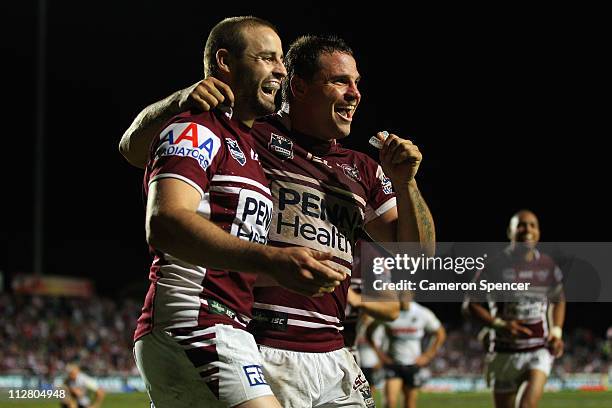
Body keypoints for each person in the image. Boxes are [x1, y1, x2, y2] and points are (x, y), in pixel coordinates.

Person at [120, 34, 434, 407]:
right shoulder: (252, 135)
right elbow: (135, 149)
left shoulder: (362, 169)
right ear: (298, 87)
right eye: (340, 81)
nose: (355, 94)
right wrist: (178, 101)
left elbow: (417, 256)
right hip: (260, 344)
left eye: (357, 83)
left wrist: (406, 183)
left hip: (335, 350)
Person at [131, 17, 346, 408]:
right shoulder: (196, 126)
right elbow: (164, 222)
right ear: (225, 62)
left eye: (281, 59)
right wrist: (273, 258)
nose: (281, 69)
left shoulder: (247, 146)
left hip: (227, 325)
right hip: (195, 320)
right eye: (266, 57)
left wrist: (293, 270)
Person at [466, 210, 566, 408]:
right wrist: (499, 324)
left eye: (532, 225)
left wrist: (556, 331)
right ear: (509, 232)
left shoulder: (547, 265)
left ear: (538, 232)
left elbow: (559, 298)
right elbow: (470, 306)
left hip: (538, 348)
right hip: (504, 351)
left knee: (526, 405)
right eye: (521, 225)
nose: (527, 229)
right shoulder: (493, 266)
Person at [366, 293, 446, 408]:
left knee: (410, 405)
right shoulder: (389, 312)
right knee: (390, 403)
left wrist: (428, 355)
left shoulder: (422, 313)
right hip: (392, 364)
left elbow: (440, 333)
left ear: (412, 295)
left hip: (412, 365)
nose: (403, 298)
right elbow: (369, 332)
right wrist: (380, 355)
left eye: (405, 294)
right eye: (401, 295)